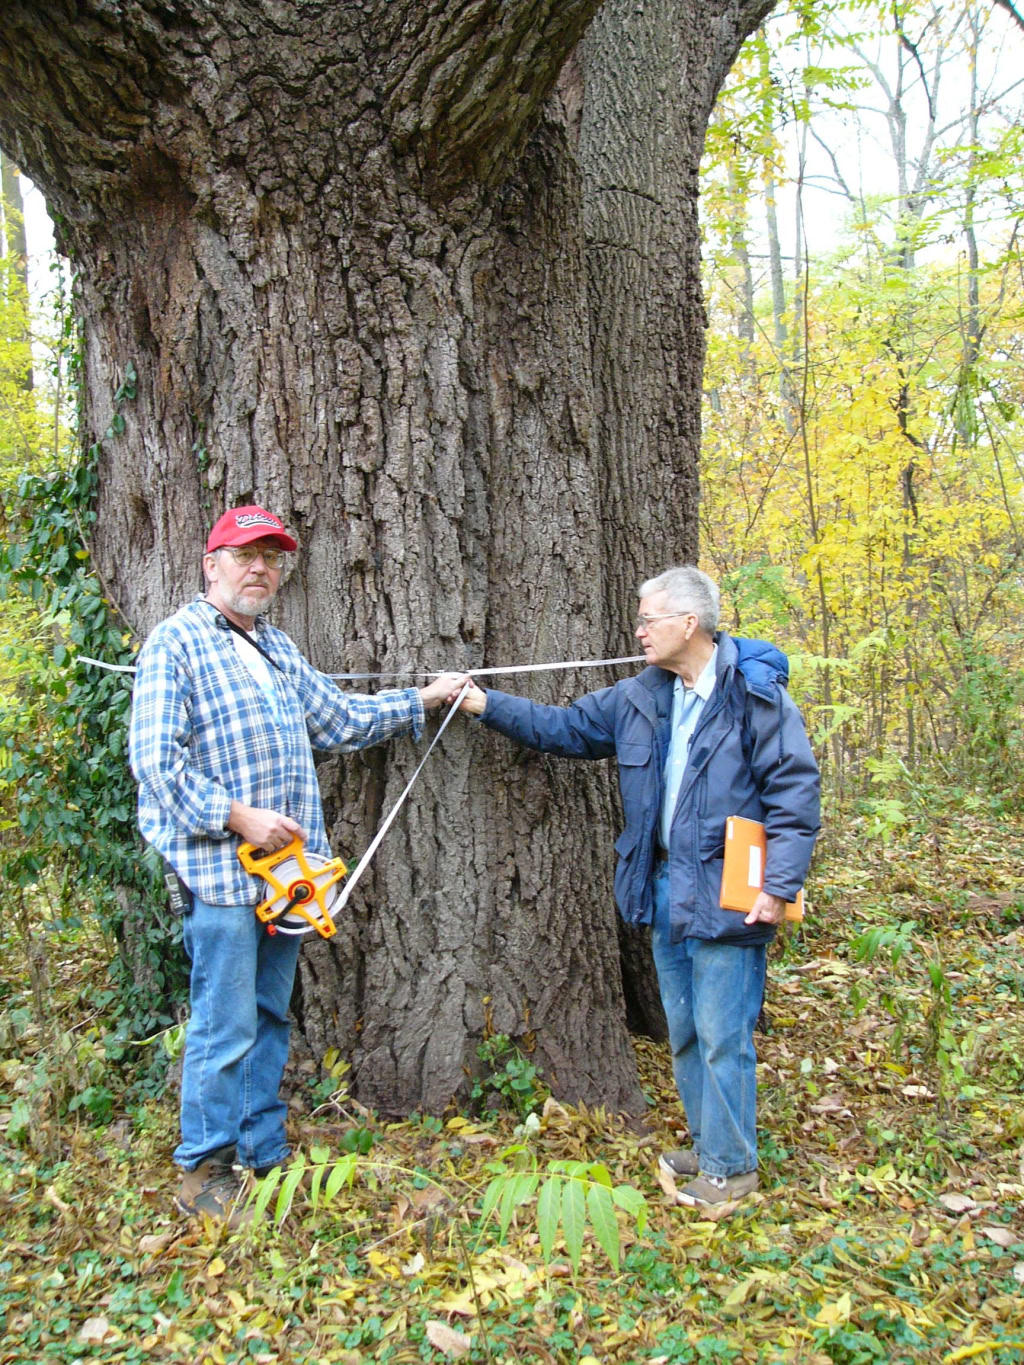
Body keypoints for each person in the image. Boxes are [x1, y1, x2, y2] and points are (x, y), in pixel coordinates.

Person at [129, 504, 468, 1225]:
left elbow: (341, 719)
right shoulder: (176, 644)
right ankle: (204, 1169)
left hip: (287, 880)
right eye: (246, 554)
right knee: (223, 1023)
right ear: (210, 562)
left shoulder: (277, 647)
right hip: (222, 879)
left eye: (272, 558)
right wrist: (236, 814)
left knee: (267, 1014)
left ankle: (261, 1147)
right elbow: (155, 762)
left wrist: (425, 699)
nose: (260, 568)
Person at [455, 566, 819, 1207]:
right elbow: (564, 729)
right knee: (683, 1030)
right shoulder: (641, 696)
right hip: (662, 891)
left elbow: (794, 794)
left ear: (689, 623)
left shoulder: (755, 695)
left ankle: (732, 1172)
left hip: (732, 890)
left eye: (649, 618)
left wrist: (779, 884)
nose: (639, 630)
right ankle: (711, 1149)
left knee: (723, 1035)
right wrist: (484, 702)